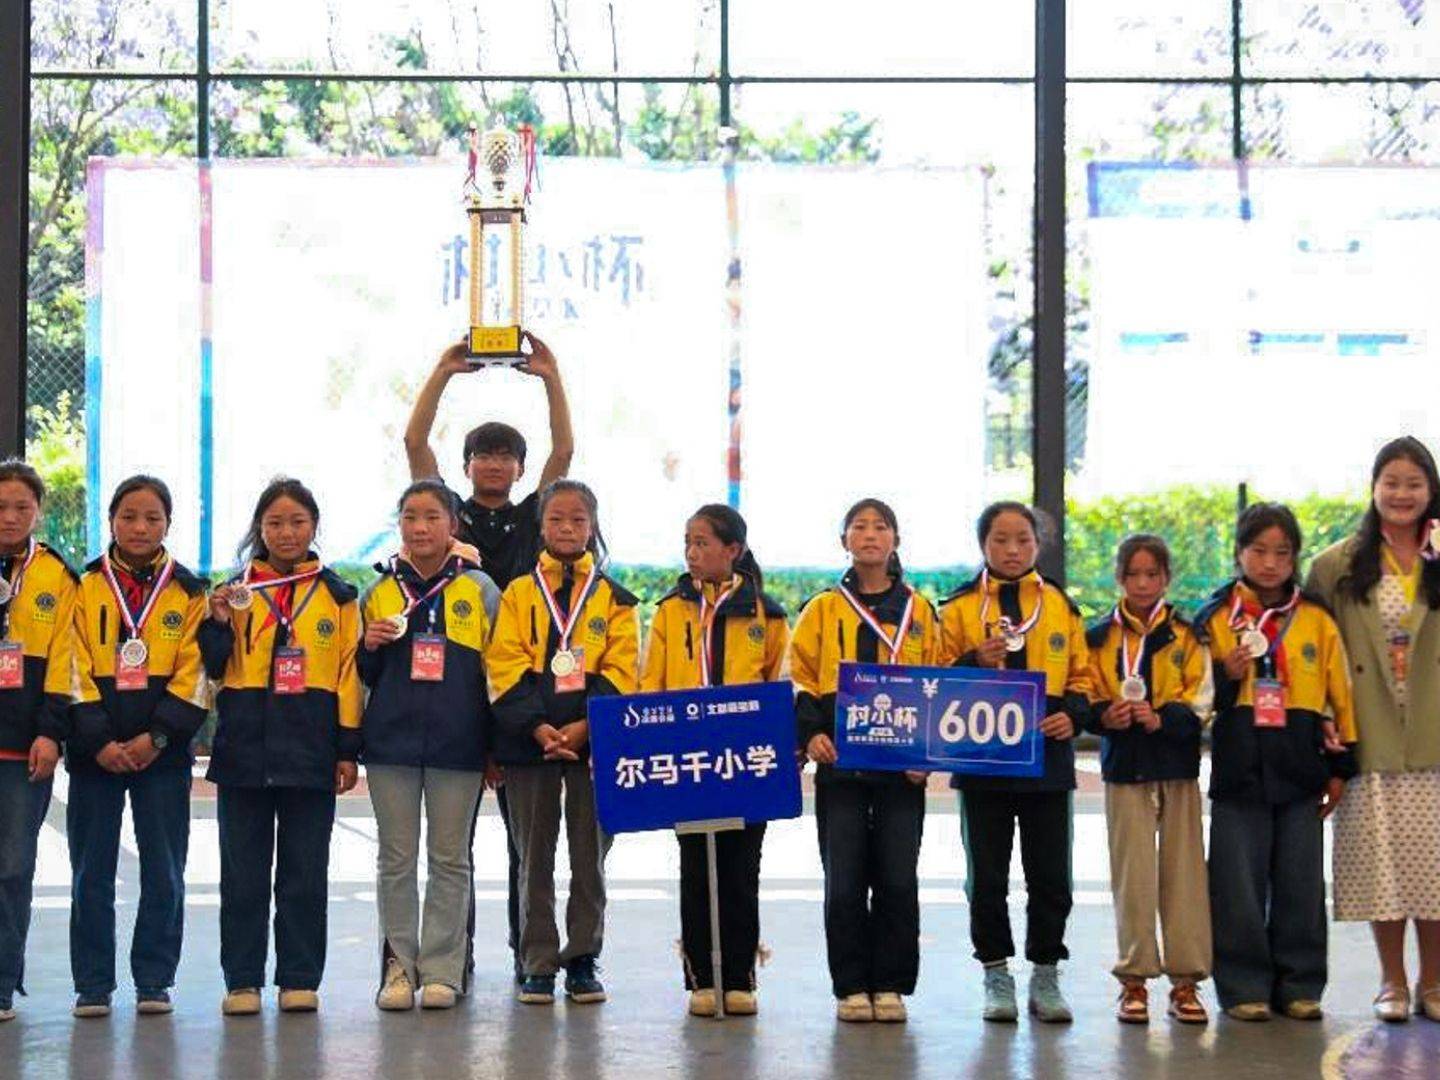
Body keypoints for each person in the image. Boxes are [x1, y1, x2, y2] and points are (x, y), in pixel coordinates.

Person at [404, 331, 574, 982]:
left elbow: (565, 449)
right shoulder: (447, 518)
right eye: (484, 456)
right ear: (468, 464)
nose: (495, 466)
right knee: (452, 843)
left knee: (525, 842)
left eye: (506, 457)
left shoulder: (537, 517)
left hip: (519, 695)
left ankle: (529, 957)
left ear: (520, 469)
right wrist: (443, 373)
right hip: (455, 689)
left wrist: (552, 378)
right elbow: (415, 447)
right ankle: (454, 957)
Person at [199, 477, 362, 1016]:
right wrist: (219, 624)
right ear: (259, 529)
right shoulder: (233, 592)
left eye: (297, 522)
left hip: (311, 751)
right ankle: (241, 980)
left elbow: (346, 678)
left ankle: (298, 978)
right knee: (242, 874)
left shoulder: (338, 596)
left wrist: (346, 750)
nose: (287, 533)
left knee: (304, 872)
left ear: (314, 526)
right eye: (275, 523)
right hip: (244, 750)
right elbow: (213, 668)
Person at [1196, 502, 1356, 1022]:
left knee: (1301, 882)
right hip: (1239, 767)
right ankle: (1244, 986)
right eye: (1258, 550)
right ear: (1239, 552)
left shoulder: (1316, 619)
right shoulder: (1214, 618)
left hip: (1301, 765)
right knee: (1236, 884)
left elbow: (1341, 694)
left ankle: (1300, 983)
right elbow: (1191, 696)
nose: (1269, 563)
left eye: (1282, 553)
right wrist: (1226, 673)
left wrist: (1341, 767)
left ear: (1295, 558)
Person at [938, 501, 1093, 1024]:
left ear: (1037, 545)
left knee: (1051, 874)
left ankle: (1046, 973)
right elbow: (932, 681)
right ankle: (995, 974)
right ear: (983, 544)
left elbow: (1084, 676)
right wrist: (970, 661)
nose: (1012, 550)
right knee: (987, 875)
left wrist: (1072, 714)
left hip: (1047, 753)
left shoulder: (1061, 606)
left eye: (1022, 540)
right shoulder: (958, 608)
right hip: (982, 756)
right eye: (1001, 540)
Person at [486, 480, 639, 1005]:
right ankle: (537, 960)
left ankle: (583, 957)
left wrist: (585, 727)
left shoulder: (615, 599)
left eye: (577, 519)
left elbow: (621, 667)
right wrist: (537, 727)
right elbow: (503, 662)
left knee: (589, 854)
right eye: (556, 520)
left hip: (594, 745)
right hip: (529, 743)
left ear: (592, 526)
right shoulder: (519, 593)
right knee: (533, 856)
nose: (567, 529)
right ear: (542, 526)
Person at [1307, 436, 1440, 1023]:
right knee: (1383, 864)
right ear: (1374, 488)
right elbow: (1311, 648)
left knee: (1435, 865)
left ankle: (1433, 982)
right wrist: (1328, 723)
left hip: (1435, 729)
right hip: (1371, 731)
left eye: (1414, 483)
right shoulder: (1337, 564)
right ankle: (1391, 981)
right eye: (1392, 482)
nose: (1402, 494)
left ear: (1431, 490)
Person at [789, 498, 937, 1024]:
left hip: (903, 770)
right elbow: (800, 678)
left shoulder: (921, 610)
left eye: (881, 527)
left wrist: (928, 755)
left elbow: (938, 686)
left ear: (895, 540)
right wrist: (812, 736)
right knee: (845, 878)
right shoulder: (822, 609)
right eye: (860, 526)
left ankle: (891, 984)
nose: (870, 535)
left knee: (898, 877)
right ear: (844, 540)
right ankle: (851, 984)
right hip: (842, 768)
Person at [66, 476, 209, 1018]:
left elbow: (199, 673)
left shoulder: (191, 592)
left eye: (152, 517)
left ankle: (154, 980)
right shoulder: (84, 585)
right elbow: (71, 663)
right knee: (91, 871)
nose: (140, 527)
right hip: (93, 753)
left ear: (168, 524)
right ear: (111, 522)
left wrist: (158, 736)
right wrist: (98, 739)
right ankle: (93, 984)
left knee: (164, 868)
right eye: (129, 516)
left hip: (161, 753)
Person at [641, 504, 789, 1017]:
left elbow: (779, 688)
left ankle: (742, 976)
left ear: (734, 551)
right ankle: (701, 977)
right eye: (688, 541)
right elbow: (650, 685)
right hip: (689, 759)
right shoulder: (669, 611)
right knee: (695, 866)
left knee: (741, 867)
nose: (692, 551)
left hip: (746, 760)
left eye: (703, 542)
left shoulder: (767, 615)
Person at [360, 480, 501, 1012]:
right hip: (390, 745)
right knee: (394, 860)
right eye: (410, 517)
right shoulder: (379, 590)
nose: (419, 528)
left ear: (453, 525)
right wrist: (369, 647)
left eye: (431, 518)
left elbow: (498, 674)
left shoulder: (481, 589)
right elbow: (363, 674)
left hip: (458, 745)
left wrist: (493, 747)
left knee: (449, 859)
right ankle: (398, 967)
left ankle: (443, 969)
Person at [1084, 534, 1211, 1025]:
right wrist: (1104, 716)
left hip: (1176, 767)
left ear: (1166, 578)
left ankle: (1187, 982)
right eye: (1133, 574)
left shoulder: (1188, 635)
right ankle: (1134, 980)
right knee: (1132, 877)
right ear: (1119, 578)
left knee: (1184, 876)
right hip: (1124, 769)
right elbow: (1086, 689)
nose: (1142, 583)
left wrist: (1164, 718)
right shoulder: (1097, 637)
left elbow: (1203, 698)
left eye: (1151, 574)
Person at [0, 460, 78, 1022]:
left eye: (21, 507)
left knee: (12, 867)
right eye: (1, 507)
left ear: (38, 512)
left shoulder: (57, 576)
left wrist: (51, 732)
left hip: (23, 745)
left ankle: (2, 983)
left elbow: (65, 663)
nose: (10, 517)